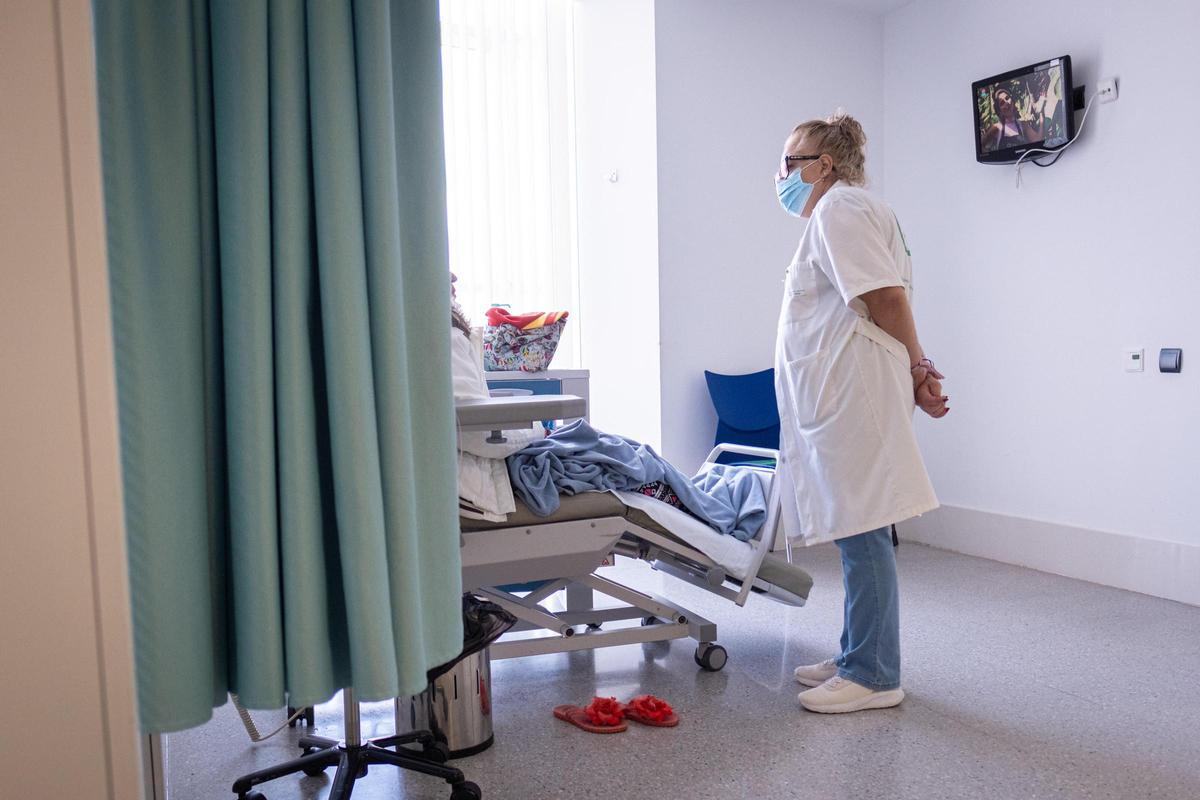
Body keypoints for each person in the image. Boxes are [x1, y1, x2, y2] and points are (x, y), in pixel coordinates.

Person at [772, 111, 948, 714]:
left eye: (791, 163)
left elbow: (884, 297)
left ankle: (873, 673)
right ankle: (856, 651)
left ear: (824, 166)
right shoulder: (842, 211)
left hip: (855, 394)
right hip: (846, 393)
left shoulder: (839, 209)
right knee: (856, 528)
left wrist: (920, 368)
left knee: (865, 527)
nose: (781, 175)